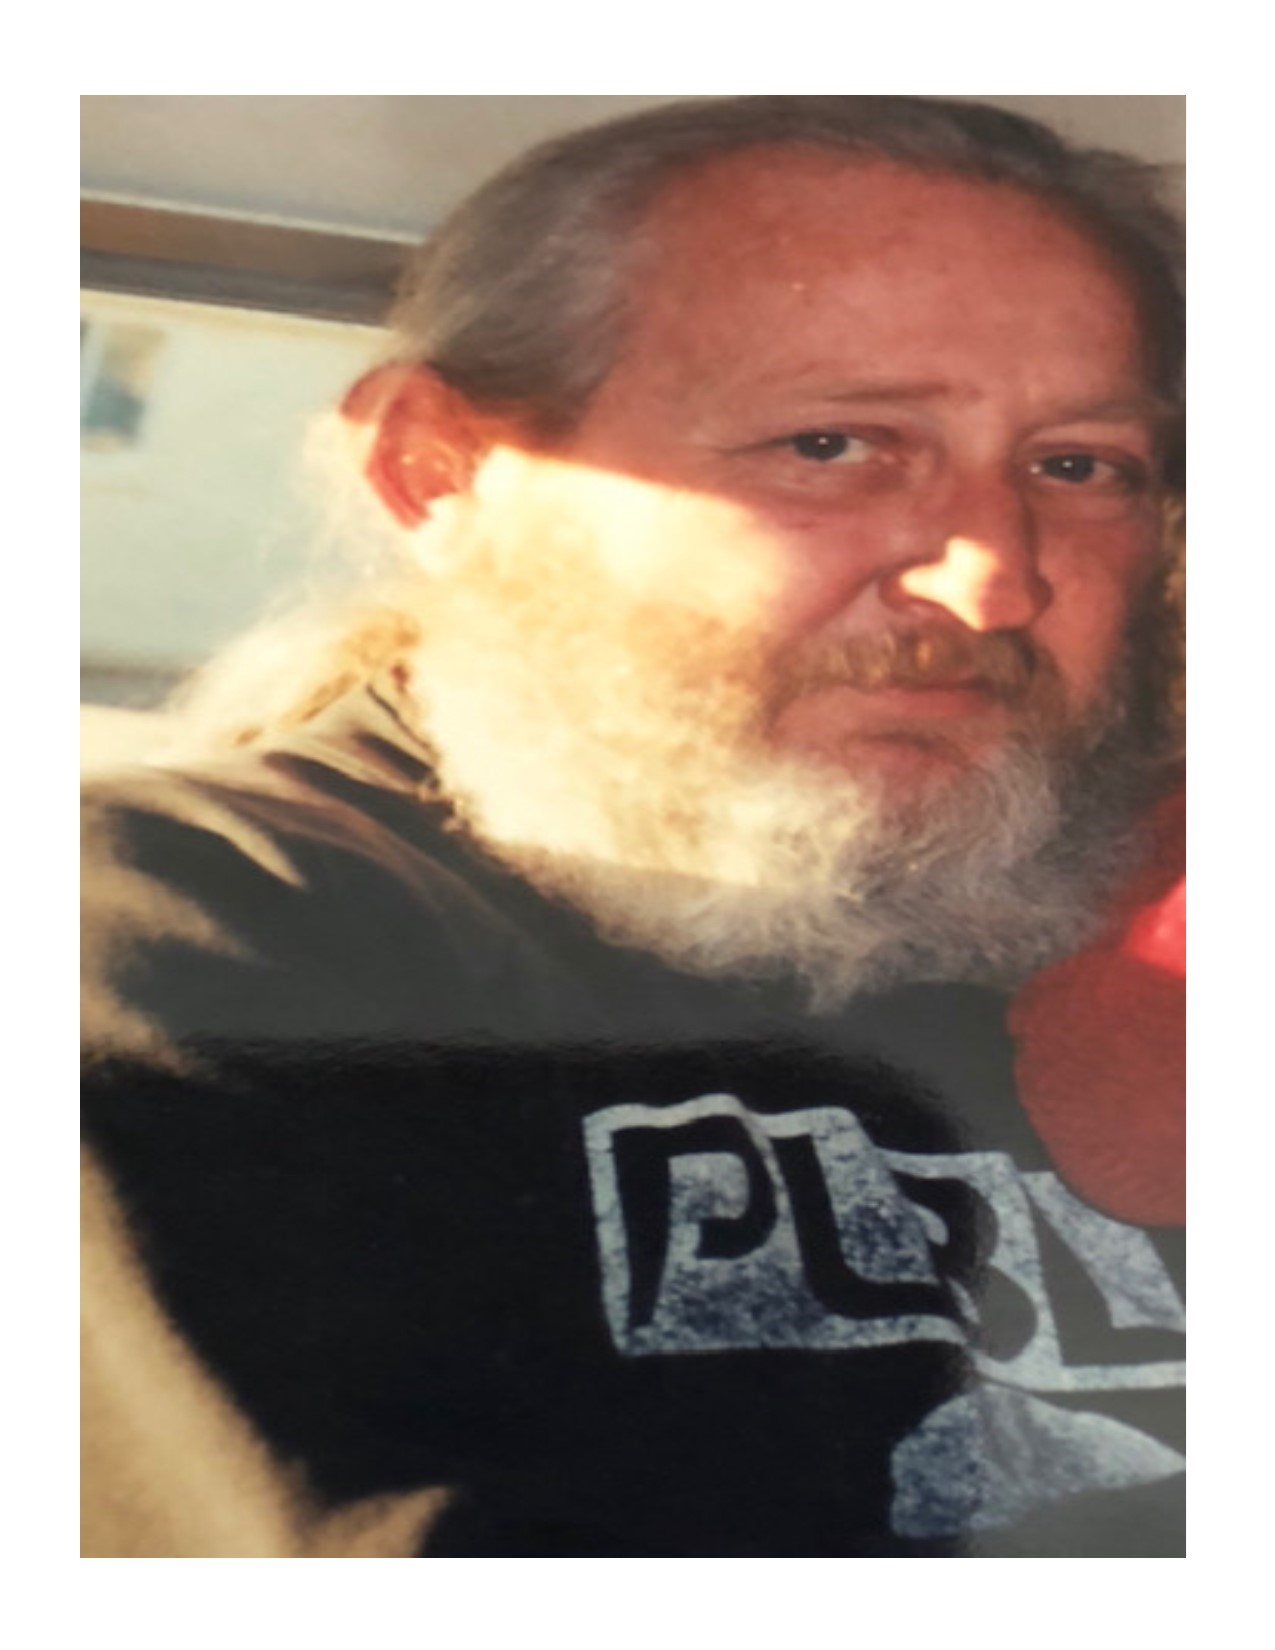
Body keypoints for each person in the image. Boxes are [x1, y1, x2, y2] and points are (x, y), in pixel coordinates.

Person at [81, 95, 1185, 1558]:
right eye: (833, 443)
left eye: (1080, 465)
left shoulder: (1152, 938)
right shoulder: (156, 928)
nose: (994, 581)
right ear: (435, 470)